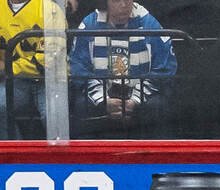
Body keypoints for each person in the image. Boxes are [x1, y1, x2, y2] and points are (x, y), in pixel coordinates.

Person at [68, 0, 177, 132]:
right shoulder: (89, 25)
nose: (124, 5)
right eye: (116, 0)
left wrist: (135, 100)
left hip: (140, 96)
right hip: (101, 95)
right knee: (80, 105)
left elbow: (165, 68)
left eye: (127, 0)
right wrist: (104, 101)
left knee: (159, 106)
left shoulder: (150, 24)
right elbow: (78, 68)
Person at [0, 0, 64, 139]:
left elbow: (50, 57)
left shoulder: (50, 9)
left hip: (50, 79)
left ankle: (57, 158)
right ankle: (15, 153)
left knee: (53, 115)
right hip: (15, 80)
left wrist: (9, 67)